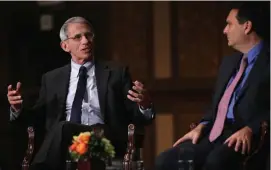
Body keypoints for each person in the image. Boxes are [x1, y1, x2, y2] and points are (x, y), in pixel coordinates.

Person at [7, 16, 155, 170]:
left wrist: (144, 105)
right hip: (65, 141)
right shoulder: (51, 78)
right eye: (78, 37)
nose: (85, 41)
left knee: (63, 128)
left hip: (103, 137)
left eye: (89, 35)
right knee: (63, 129)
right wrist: (17, 108)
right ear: (65, 46)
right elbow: (37, 116)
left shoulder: (116, 73)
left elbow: (136, 116)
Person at [155, 2, 269, 170]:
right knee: (165, 160)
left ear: (247, 26)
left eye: (229, 24)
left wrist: (251, 128)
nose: (224, 30)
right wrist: (201, 126)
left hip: (243, 137)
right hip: (214, 133)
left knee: (215, 163)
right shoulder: (228, 63)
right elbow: (217, 105)